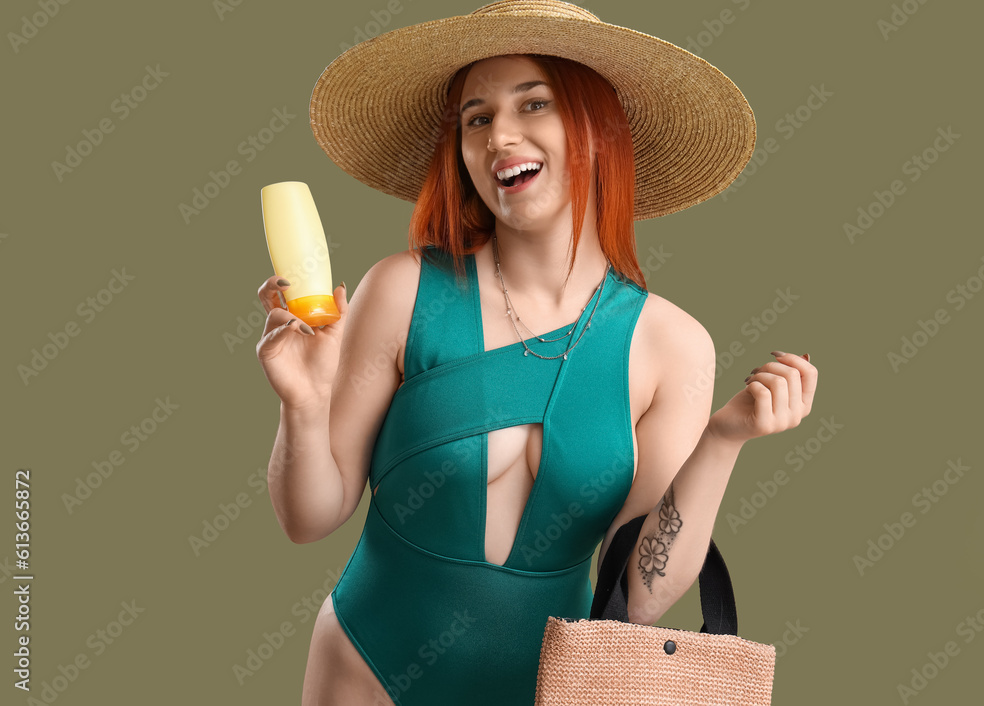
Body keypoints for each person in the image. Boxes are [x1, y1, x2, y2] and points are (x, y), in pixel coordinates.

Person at [255, 2, 818, 704]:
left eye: (534, 104)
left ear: (598, 131)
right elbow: (309, 518)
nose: (500, 137)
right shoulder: (402, 291)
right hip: (366, 670)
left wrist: (725, 440)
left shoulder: (672, 346)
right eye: (477, 118)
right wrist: (303, 405)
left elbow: (638, 601)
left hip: (552, 689)